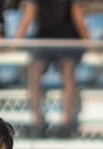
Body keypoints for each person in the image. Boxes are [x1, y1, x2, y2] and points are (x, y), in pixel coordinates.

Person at [14, 0, 90, 138]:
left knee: (66, 74)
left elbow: (77, 15)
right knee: (36, 74)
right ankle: (41, 122)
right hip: (46, 39)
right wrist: (15, 44)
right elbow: (28, 16)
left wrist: (90, 44)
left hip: (67, 39)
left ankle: (62, 123)